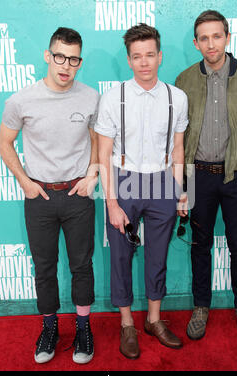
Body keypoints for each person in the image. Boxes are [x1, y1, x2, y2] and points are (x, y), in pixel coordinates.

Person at [0, 27, 99, 364]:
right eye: (59, 56)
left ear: (79, 62)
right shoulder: (21, 100)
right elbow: (4, 142)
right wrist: (25, 182)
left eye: (73, 59)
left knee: (81, 264)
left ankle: (84, 327)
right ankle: (50, 326)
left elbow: (99, 139)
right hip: (38, 195)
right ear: (47, 55)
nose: (65, 65)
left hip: (78, 194)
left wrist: (92, 174)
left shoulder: (90, 97)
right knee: (44, 265)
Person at [175, 10, 237, 343]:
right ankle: (201, 306)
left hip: (236, 177)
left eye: (216, 36)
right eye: (203, 38)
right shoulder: (185, 80)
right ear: (196, 43)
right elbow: (177, 132)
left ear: (228, 38)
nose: (210, 43)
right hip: (199, 176)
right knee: (199, 245)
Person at [95, 23, 188, 359]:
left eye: (150, 55)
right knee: (120, 256)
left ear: (160, 56)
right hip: (124, 181)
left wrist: (180, 189)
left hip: (163, 180)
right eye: (137, 56)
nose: (144, 62)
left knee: (158, 255)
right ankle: (126, 324)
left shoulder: (177, 98)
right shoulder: (113, 97)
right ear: (129, 60)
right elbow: (103, 154)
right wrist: (112, 202)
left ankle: (153, 319)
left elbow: (178, 149)